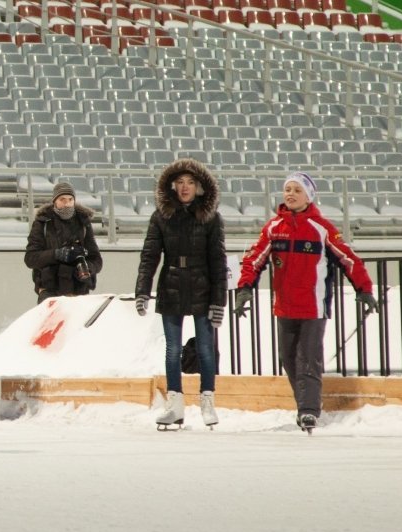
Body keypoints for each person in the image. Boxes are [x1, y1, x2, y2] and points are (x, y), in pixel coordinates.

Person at [234, 172, 378, 432]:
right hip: (285, 306)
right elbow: (254, 260)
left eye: (296, 190)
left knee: (309, 358)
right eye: (287, 189)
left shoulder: (322, 229)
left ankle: (309, 411)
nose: (290, 194)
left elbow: (349, 259)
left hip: (313, 307)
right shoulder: (273, 228)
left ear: (308, 196)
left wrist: (364, 289)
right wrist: (244, 288)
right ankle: (305, 403)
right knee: (288, 358)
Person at [134, 159, 227, 430]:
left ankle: (207, 402)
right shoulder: (162, 216)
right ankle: (174, 404)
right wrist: (142, 290)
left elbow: (218, 261)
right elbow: (149, 256)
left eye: (190, 183)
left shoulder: (211, 217)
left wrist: (218, 301)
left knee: (206, 349)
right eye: (180, 183)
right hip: (172, 284)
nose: (185, 187)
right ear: (173, 186)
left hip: (202, 285)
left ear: (199, 187)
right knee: (173, 349)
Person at [23, 181, 103, 304]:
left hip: (79, 290)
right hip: (50, 290)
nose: (67, 204)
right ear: (55, 201)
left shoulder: (83, 223)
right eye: (62, 199)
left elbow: (97, 260)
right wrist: (57, 254)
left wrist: (86, 267)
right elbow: (30, 258)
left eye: (70, 199)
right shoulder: (42, 223)